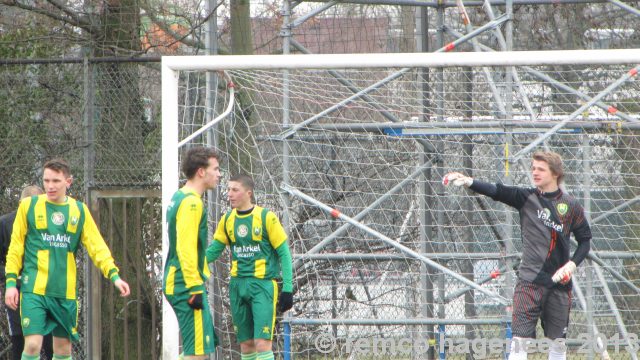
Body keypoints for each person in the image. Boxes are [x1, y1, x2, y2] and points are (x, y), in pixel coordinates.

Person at [443, 151, 591, 360]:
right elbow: (497, 191)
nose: (535, 172)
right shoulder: (526, 198)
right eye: (533, 168)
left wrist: (572, 265)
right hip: (529, 282)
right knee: (519, 344)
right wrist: (470, 182)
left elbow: (585, 241)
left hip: (559, 284)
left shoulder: (571, 205)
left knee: (557, 346)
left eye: (541, 169)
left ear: (555, 173)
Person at [4, 159, 131, 360]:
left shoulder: (79, 211)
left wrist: (114, 276)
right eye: (46, 180)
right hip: (34, 289)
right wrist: (11, 283)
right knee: (33, 345)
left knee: (63, 350)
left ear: (68, 182)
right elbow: (15, 247)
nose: (50, 186)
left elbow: (97, 246)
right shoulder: (29, 206)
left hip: (64, 292)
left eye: (56, 180)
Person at [206, 174, 294, 360]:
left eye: (234, 190)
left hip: (262, 286)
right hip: (237, 285)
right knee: (246, 345)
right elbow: (214, 250)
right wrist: (190, 265)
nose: (229, 194)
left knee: (262, 343)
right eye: (228, 189)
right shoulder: (227, 219)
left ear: (249, 193)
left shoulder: (266, 217)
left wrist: (287, 288)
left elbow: (284, 253)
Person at [163, 146, 221, 359]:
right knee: (197, 353)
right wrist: (195, 287)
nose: (219, 173)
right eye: (215, 168)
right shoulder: (191, 203)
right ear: (201, 172)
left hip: (180, 280)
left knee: (195, 350)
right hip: (185, 284)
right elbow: (185, 248)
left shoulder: (180, 195)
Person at [0, 186, 53, 360]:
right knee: (20, 338)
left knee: (50, 339)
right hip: (17, 288)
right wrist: (12, 278)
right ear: (20, 204)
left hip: (46, 289)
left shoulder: (51, 224)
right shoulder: (5, 224)